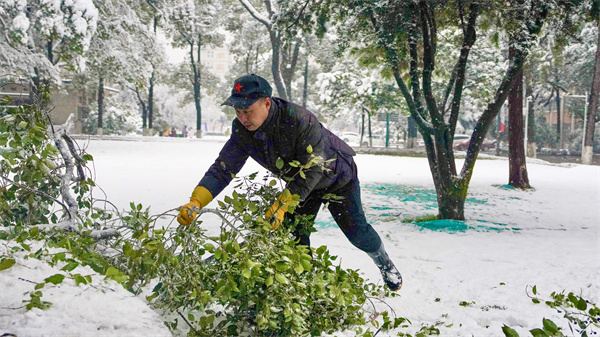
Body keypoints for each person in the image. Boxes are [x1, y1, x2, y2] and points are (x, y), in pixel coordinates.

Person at [177, 74, 402, 291]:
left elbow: (313, 168)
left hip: (337, 179)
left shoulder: (299, 119)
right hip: (301, 186)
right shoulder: (243, 130)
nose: (243, 118)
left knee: (357, 234)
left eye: (247, 111)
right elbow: (223, 169)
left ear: (266, 103)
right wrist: (197, 201)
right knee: (294, 240)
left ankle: (384, 262)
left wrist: (283, 204)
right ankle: (303, 289)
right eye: (237, 112)